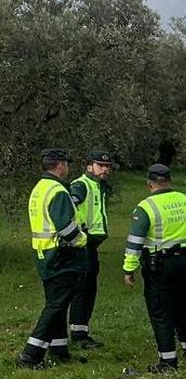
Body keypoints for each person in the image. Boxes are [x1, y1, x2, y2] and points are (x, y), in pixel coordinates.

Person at [123, 164, 186, 372]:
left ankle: (168, 361)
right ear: (170, 180)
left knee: (161, 309)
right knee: (184, 304)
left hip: (160, 264)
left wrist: (129, 269)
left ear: (149, 184)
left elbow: (135, 242)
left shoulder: (146, 207)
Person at [18, 149, 88, 368]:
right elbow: (66, 228)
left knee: (57, 302)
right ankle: (31, 355)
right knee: (56, 306)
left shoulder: (39, 188)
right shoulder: (57, 191)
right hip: (62, 256)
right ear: (60, 165)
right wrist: (83, 239)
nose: (67, 167)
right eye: (66, 163)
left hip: (45, 254)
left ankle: (59, 349)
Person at [67, 149, 115, 349]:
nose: (105, 169)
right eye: (100, 165)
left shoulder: (97, 185)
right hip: (82, 243)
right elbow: (70, 205)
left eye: (108, 166)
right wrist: (79, 230)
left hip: (90, 244)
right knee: (82, 288)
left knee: (88, 288)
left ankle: (81, 331)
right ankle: (78, 335)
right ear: (89, 167)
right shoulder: (82, 185)